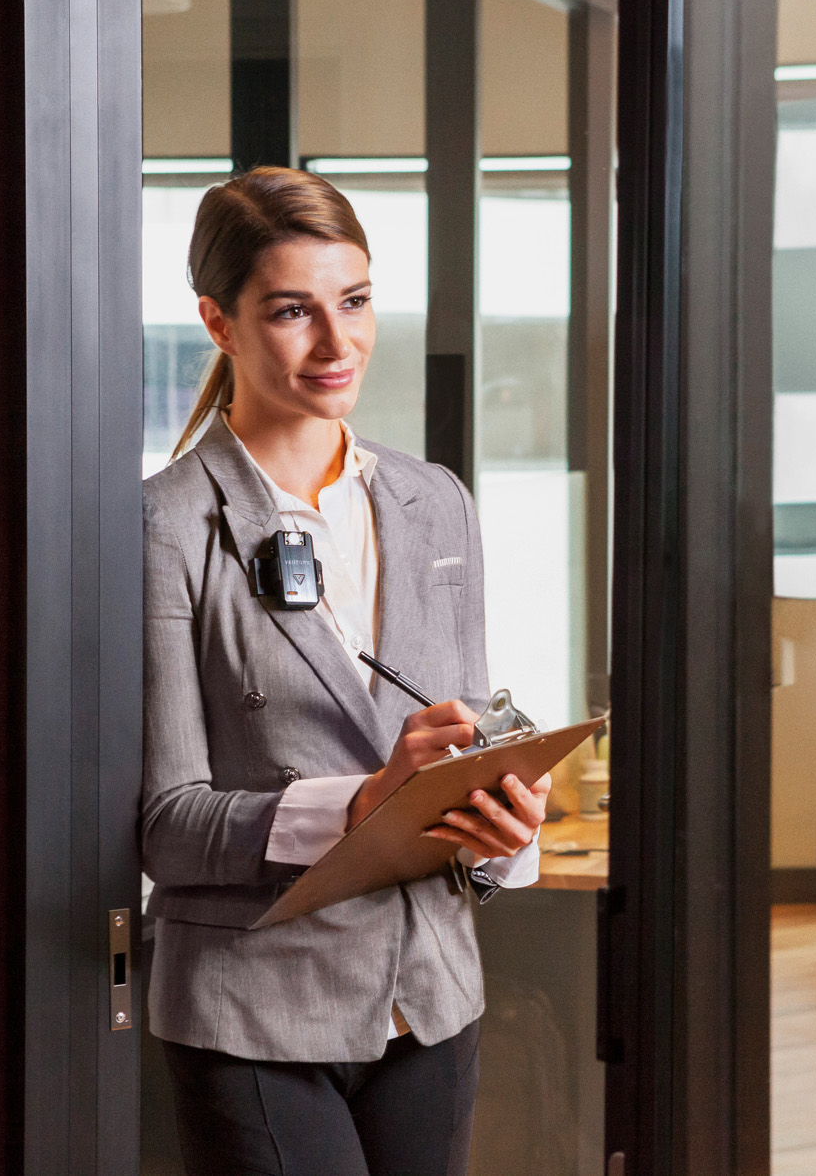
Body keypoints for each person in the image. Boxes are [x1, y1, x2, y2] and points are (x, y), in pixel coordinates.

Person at [141, 167, 549, 1176]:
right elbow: (164, 823)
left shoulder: (433, 501)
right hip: (253, 1009)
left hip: (431, 991)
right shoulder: (160, 527)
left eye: (355, 301)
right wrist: (365, 802)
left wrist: (504, 828)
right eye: (292, 311)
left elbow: (466, 735)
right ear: (219, 322)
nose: (338, 343)